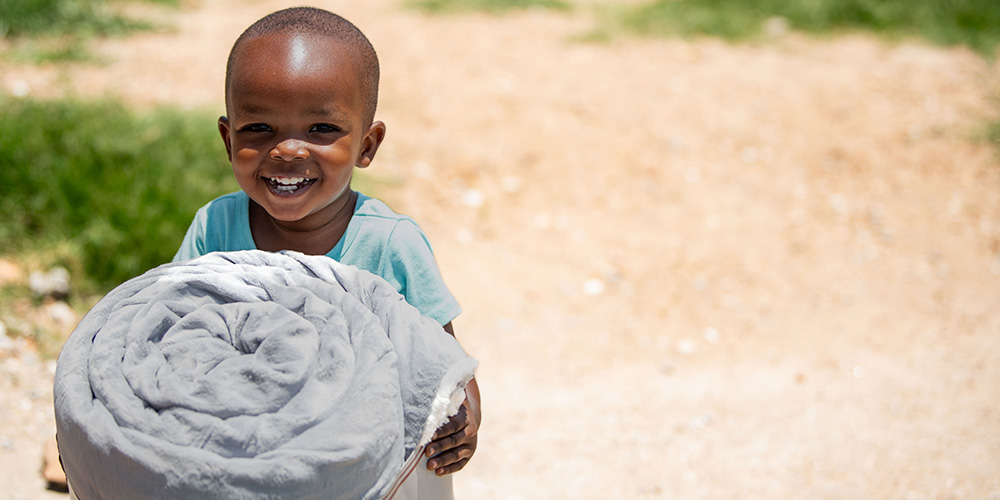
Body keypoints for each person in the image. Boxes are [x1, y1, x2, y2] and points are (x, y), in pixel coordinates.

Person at [172, 7, 480, 477]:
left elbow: (444, 360)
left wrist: (464, 416)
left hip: (363, 460)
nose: (287, 150)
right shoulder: (216, 228)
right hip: (247, 452)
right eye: (259, 128)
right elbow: (169, 324)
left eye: (321, 130)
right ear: (228, 139)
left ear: (367, 146)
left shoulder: (389, 245)